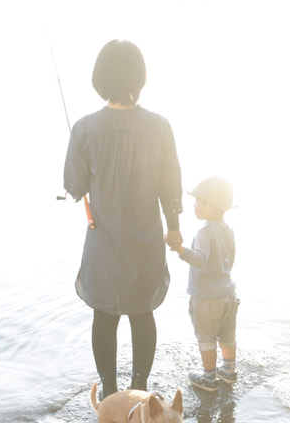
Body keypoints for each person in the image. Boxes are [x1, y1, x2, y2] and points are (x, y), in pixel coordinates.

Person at [63, 39, 183, 399]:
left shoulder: (84, 129)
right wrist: (174, 228)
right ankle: (141, 391)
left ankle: (111, 395)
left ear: (100, 79)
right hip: (145, 238)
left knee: (104, 315)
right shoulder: (160, 127)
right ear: (140, 77)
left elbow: (74, 185)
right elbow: (171, 184)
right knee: (142, 313)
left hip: (103, 241)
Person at [171, 176, 238, 392]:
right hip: (228, 292)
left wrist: (180, 250)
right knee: (227, 334)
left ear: (210, 205)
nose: (194, 205)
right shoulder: (227, 230)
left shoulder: (204, 233)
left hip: (207, 298)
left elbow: (200, 259)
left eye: (198, 201)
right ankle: (228, 370)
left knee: (206, 337)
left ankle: (209, 378)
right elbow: (232, 257)